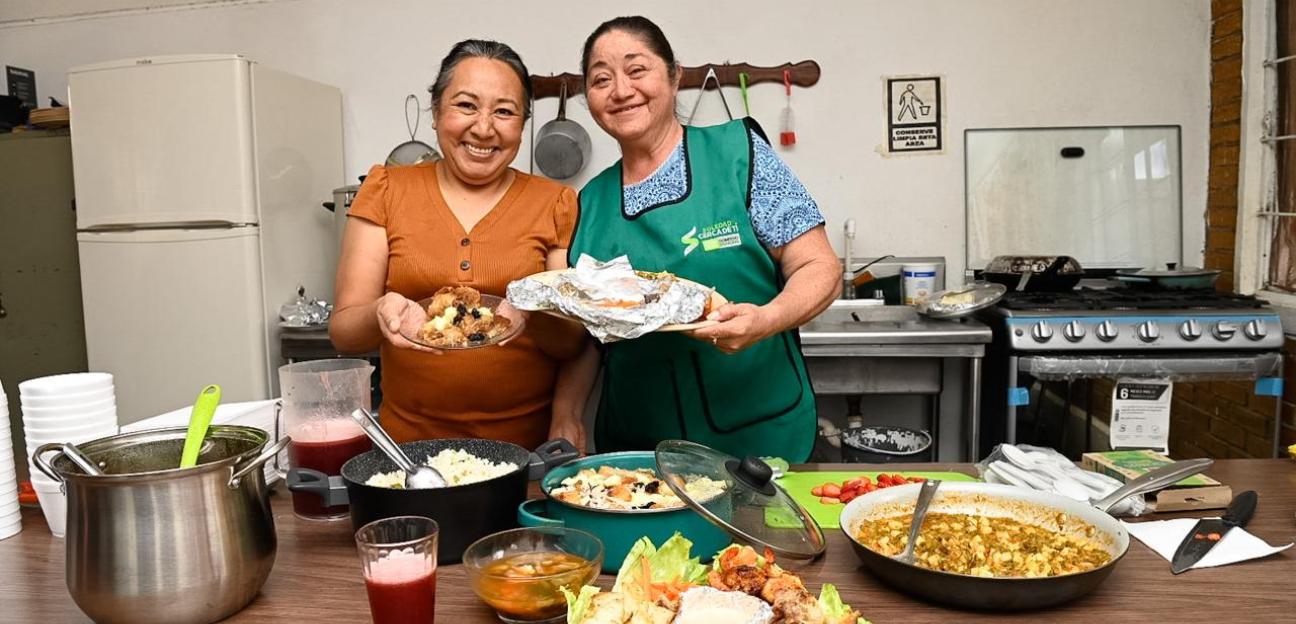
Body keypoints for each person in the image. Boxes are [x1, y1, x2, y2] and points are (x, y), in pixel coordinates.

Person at [569, 16, 841, 462]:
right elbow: (583, 339)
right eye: (602, 79)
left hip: (758, 440)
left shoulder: (739, 154)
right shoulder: (589, 202)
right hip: (639, 454)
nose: (620, 90)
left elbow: (821, 268)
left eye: (637, 70)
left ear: (675, 76)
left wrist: (766, 320)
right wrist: (569, 412)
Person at [331, 39, 592, 450]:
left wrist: (533, 309)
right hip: (408, 454)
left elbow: (572, 343)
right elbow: (344, 332)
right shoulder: (385, 189)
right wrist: (382, 311)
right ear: (436, 113)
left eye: (504, 111)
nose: (484, 128)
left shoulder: (556, 203)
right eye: (466, 106)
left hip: (524, 453)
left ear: (522, 125)